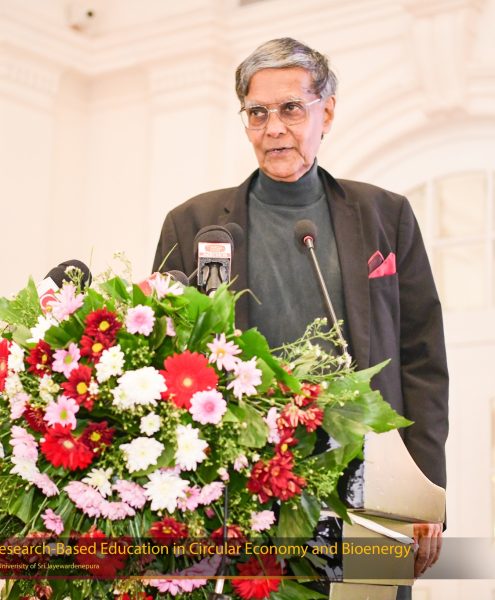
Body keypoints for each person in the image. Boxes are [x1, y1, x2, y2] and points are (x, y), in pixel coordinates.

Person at [152, 37, 448, 598]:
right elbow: (166, 365)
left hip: (367, 486)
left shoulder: (385, 216)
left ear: (326, 113)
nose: (274, 128)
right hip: (238, 489)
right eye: (257, 112)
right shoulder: (191, 224)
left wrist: (424, 490)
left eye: (291, 108)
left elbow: (423, 361)